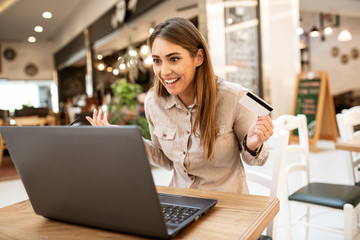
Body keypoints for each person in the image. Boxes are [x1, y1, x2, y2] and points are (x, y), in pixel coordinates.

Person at [86, 17, 274, 194]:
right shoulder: (154, 102)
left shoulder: (234, 97)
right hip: (182, 200)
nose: (164, 71)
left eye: (174, 59)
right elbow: (167, 161)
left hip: (227, 204)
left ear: (198, 58)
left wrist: (253, 144)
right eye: (157, 61)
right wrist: (124, 138)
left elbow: (259, 158)